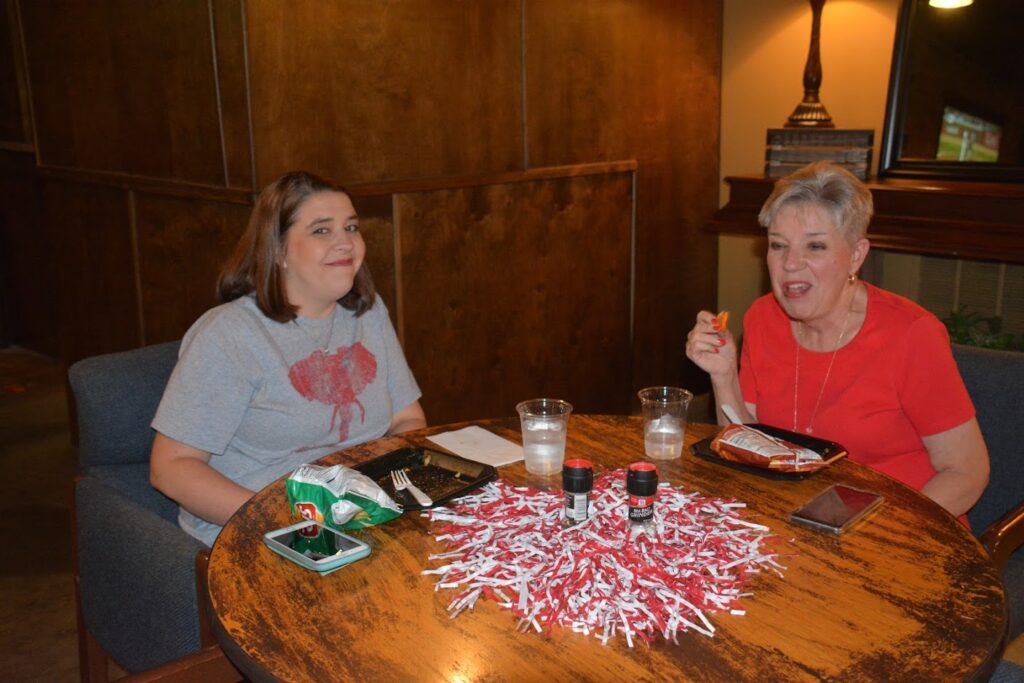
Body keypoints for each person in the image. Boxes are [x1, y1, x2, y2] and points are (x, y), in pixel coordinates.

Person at [685, 161, 988, 519]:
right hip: (797, 523)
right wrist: (723, 376)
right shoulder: (763, 317)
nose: (791, 263)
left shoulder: (912, 335)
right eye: (778, 246)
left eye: (815, 247)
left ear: (856, 256)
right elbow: (747, 444)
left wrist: (882, 534)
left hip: (903, 531)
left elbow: (967, 473)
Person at [150, 171, 426, 545]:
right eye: (321, 231)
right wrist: (290, 523)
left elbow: (407, 419)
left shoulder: (368, 312)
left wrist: (392, 496)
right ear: (277, 249)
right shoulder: (229, 334)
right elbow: (171, 470)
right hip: (257, 529)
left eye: (351, 227)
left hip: (360, 516)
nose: (345, 243)